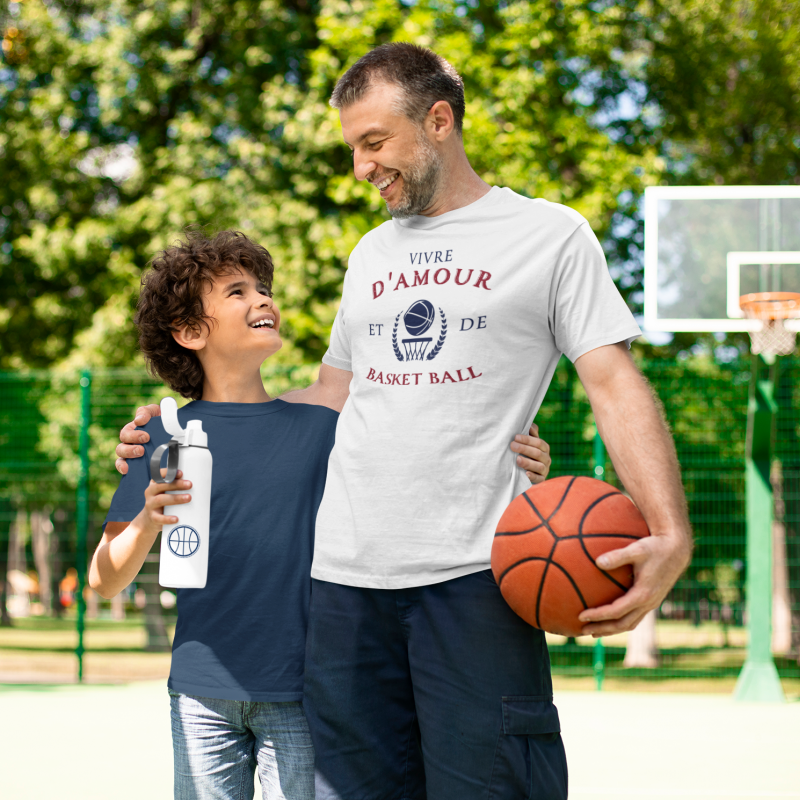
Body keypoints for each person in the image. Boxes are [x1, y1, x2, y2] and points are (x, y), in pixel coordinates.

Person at [116, 44, 692, 800]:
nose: (361, 166)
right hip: (342, 590)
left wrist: (669, 529)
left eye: (375, 142)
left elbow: (613, 382)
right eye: (353, 146)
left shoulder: (549, 236)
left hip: (476, 578)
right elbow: (333, 394)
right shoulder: (371, 255)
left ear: (439, 121)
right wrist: (194, 420)